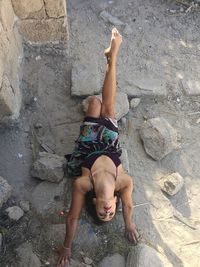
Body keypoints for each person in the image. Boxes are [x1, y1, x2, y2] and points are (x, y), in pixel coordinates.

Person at [57, 28, 139, 267]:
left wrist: (67, 247)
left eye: (103, 214)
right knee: (109, 108)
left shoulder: (83, 185)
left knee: (94, 103)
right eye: (111, 213)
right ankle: (112, 56)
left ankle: (109, 62)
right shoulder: (123, 183)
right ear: (114, 202)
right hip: (110, 148)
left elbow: (72, 218)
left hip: (89, 148)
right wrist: (129, 225)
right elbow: (130, 205)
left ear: (95, 203)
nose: (107, 212)